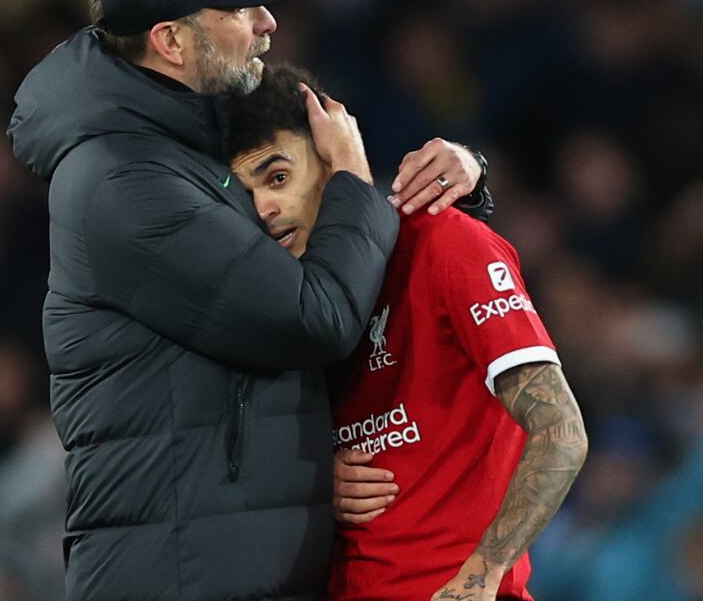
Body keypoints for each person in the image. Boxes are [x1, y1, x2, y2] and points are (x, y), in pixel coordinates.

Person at [7, 0, 488, 600]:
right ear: (170, 40)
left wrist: (463, 171)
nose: (267, 21)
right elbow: (314, 315)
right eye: (238, 7)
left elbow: (245, 362)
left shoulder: (189, 154)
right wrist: (353, 176)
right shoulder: (122, 182)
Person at [224, 64, 588, 601]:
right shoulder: (282, 308)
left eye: (278, 178)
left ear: (333, 160)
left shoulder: (443, 244)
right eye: (247, 194)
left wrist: (482, 574)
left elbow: (561, 431)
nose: (265, 209)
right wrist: (311, 482)